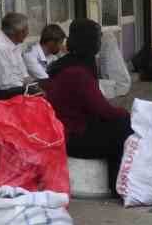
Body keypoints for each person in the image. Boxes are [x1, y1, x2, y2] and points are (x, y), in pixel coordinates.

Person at [42, 19, 132, 195]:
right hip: (72, 137)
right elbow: (102, 108)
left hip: (63, 130)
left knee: (116, 124)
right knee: (122, 129)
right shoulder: (78, 73)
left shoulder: (66, 64)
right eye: (97, 39)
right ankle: (117, 186)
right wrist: (126, 114)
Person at [0, 12, 34, 100]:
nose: (28, 33)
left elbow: (24, 75)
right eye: (26, 30)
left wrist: (29, 85)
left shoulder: (14, 42)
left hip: (12, 89)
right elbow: (7, 86)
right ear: (17, 32)